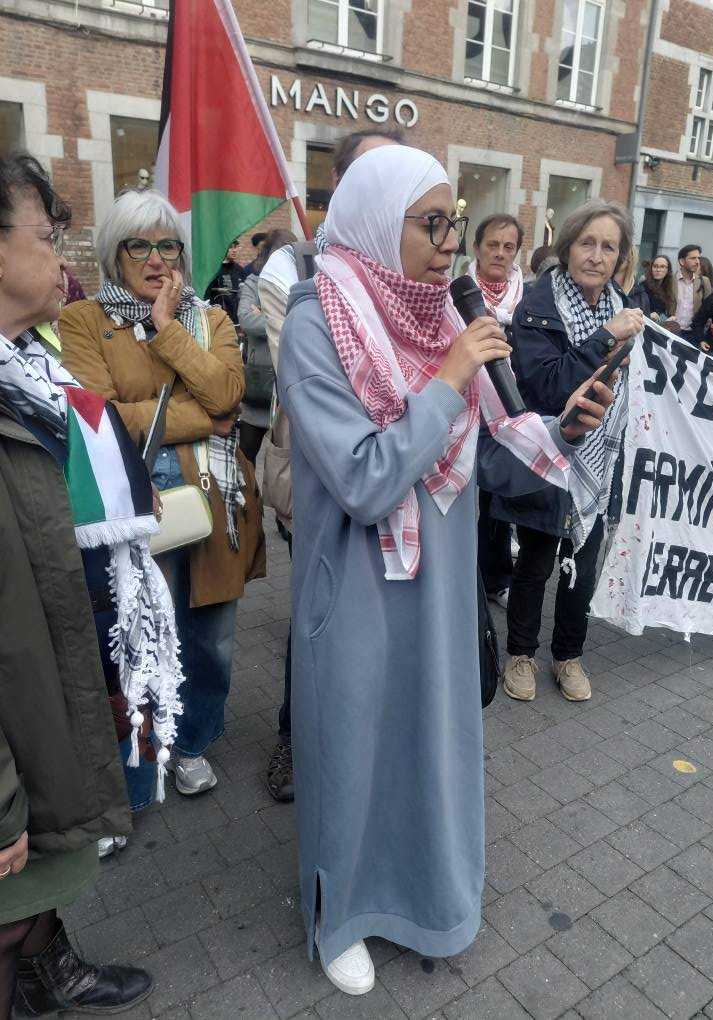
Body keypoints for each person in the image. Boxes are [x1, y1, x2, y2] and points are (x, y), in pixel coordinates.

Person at [278, 144, 615, 995]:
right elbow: (361, 477)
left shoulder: (440, 320)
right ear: (373, 223)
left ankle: (424, 895)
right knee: (355, 750)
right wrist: (450, 377)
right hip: (356, 589)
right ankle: (342, 915)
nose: (449, 243)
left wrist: (562, 432)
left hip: (440, 590)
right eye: (431, 224)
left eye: (454, 223)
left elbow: (481, 465)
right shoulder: (319, 322)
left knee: (429, 746)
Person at [0, 154, 155, 1018]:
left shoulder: (29, 366)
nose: (65, 256)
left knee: (38, 886)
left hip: (42, 691)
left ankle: (49, 968)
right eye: (47, 234)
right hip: (9, 738)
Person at [59, 189, 266, 797]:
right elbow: (99, 419)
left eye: (168, 245)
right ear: (112, 255)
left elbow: (229, 393)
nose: (156, 259)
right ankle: (143, 754)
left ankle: (194, 740)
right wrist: (205, 417)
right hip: (139, 508)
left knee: (212, 641)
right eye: (139, 245)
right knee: (144, 635)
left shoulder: (213, 320)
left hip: (218, 505)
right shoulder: (84, 321)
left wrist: (168, 331)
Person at [259, 128, 403, 803]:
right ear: (342, 184)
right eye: (372, 172)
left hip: (397, 473)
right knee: (319, 615)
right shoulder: (293, 271)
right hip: (319, 472)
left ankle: (374, 750)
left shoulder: (412, 267)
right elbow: (321, 380)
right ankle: (298, 735)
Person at [495, 199, 643, 704]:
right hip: (548, 458)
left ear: (620, 257)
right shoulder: (536, 307)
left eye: (609, 247)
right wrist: (606, 338)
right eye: (588, 243)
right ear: (568, 245)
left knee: (584, 565)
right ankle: (519, 654)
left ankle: (568, 655)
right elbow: (545, 385)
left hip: (597, 466)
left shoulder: (625, 306)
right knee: (535, 564)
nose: (597, 256)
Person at [467, 214, 526, 607]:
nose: (500, 254)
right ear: (477, 248)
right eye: (493, 245)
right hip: (466, 409)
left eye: (508, 247)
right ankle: (461, 577)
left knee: (498, 502)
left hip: (509, 411)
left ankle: (495, 579)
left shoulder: (527, 299)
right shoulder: (456, 293)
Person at [236, 229, 297, 463]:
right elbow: (247, 320)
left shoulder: (299, 283)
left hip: (286, 389)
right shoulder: (254, 283)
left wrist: (268, 313)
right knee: (245, 461)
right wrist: (287, 318)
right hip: (258, 389)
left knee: (284, 462)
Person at [671, 243, 712, 339]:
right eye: (693, 258)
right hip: (671, 331)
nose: (697, 262)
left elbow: (708, 308)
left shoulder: (704, 281)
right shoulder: (670, 280)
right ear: (682, 261)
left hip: (693, 334)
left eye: (698, 258)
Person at [205, 237, 246, 321]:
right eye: (230, 247)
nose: (234, 250)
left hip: (238, 320)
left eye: (236, 247)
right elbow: (206, 297)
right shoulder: (212, 271)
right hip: (218, 319)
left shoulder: (240, 270)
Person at [631, 254, 676, 321]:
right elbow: (634, 310)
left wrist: (670, 318)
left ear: (667, 270)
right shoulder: (642, 288)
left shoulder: (668, 288)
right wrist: (649, 315)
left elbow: (667, 312)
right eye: (655, 266)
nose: (658, 269)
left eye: (662, 267)